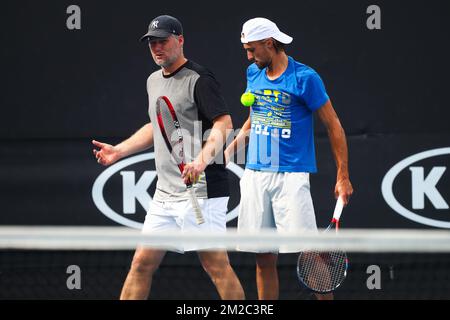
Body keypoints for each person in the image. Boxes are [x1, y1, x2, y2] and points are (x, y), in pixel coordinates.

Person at [92, 15, 245, 300]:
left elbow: (223, 124)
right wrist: (119, 150)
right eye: (152, 43)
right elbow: (156, 124)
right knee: (141, 264)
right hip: (165, 194)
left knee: (216, 266)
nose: (157, 47)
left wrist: (200, 161)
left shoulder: (199, 79)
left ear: (180, 40)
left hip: (203, 191)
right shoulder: (153, 81)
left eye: (163, 41)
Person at [225, 17, 354, 300]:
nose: (248, 56)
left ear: (269, 44)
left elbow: (334, 126)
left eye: (251, 49)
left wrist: (342, 175)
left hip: (291, 177)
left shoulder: (305, 78)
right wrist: (231, 148)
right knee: (263, 257)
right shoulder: (253, 73)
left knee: (311, 255)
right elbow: (254, 117)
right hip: (255, 174)